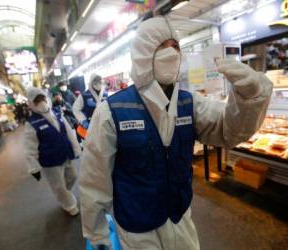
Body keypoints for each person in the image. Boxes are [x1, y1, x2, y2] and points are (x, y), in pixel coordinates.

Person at [79, 16, 273, 250]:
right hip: (138, 229)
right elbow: (94, 179)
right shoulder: (112, 111)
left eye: (175, 46)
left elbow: (228, 131)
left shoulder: (189, 104)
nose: (171, 53)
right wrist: (97, 234)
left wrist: (249, 98)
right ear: (143, 53)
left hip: (180, 218)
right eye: (161, 46)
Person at [24, 87, 81, 216]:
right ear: (31, 103)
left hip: (65, 153)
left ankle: (63, 195)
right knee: (58, 185)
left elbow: (68, 132)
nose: (41, 102)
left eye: (42, 98)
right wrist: (33, 167)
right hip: (50, 160)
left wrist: (76, 148)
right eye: (37, 100)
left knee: (72, 176)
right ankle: (69, 205)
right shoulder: (32, 123)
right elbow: (30, 147)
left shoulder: (56, 112)